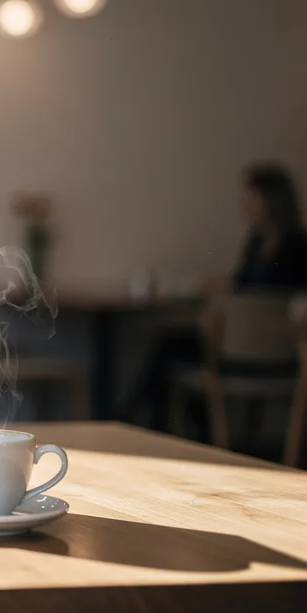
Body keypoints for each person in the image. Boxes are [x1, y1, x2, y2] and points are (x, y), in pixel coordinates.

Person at [125, 162, 307, 432]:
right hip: (276, 354)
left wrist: (229, 290)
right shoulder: (260, 243)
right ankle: (164, 423)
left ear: (269, 200)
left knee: (169, 346)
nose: (244, 204)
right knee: (173, 347)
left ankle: (135, 419)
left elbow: (262, 294)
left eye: (250, 197)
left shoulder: (291, 249)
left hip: (259, 351)